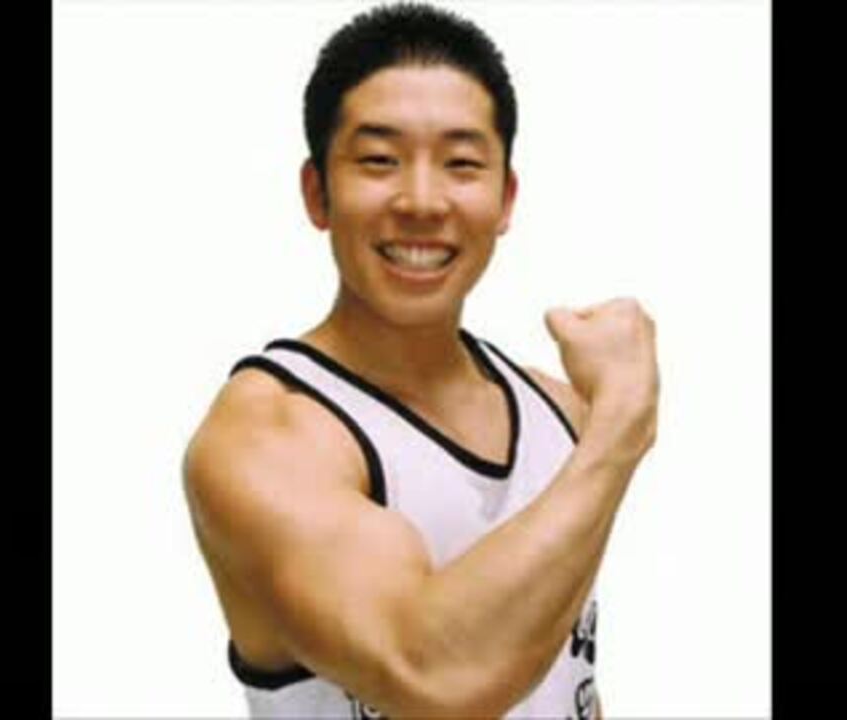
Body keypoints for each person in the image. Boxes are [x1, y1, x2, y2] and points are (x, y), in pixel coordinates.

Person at [183, 2, 658, 718]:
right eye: (379, 160)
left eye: (462, 164)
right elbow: (431, 676)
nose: (422, 201)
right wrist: (621, 428)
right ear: (317, 192)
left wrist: (605, 433)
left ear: (505, 198)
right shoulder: (266, 439)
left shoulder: (560, 413)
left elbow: (566, 685)